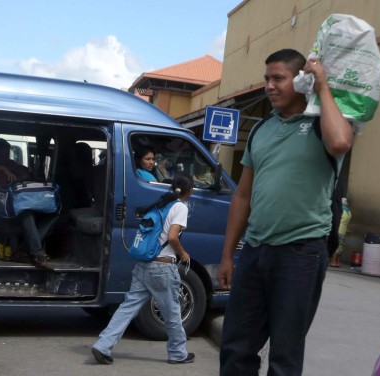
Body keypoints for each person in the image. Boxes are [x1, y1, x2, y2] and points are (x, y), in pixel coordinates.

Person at [217, 48, 353, 375]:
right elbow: (243, 196)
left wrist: (322, 87)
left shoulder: (323, 124)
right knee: (236, 347)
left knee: (285, 354)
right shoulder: (262, 131)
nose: (270, 86)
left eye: (279, 78)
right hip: (255, 251)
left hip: (301, 253)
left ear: (301, 80)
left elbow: (340, 143)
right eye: (267, 79)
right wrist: (227, 256)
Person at [91, 173, 195, 365]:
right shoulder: (180, 207)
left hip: (144, 265)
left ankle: (103, 345)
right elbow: (172, 237)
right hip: (162, 267)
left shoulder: (161, 203)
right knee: (172, 311)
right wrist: (183, 253)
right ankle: (178, 353)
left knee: (127, 308)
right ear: (189, 190)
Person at [0, 138, 51, 268]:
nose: (6, 158)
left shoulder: (10, 164)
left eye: (8, 154)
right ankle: (36, 252)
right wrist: (3, 169)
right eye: (3, 155)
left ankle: (31, 250)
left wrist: (24, 175)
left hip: (13, 205)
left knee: (39, 213)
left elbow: (26, 173)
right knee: (24, 212)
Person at [330, 197, 352, 267]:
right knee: (339, 247)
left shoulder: (343, 210)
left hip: (341, 230)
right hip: (340, 230)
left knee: (340, 247)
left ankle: (336, 261)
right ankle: (334, 261)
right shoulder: (346, 211)